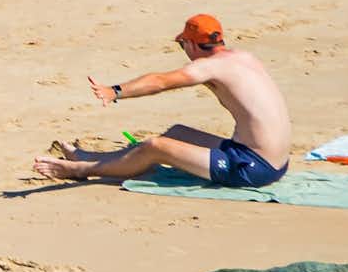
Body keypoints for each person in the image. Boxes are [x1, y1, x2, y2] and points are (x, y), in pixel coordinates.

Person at [33, 15, 294, 188]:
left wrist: (115, 91)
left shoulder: (209, 67)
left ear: (192, 44)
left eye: (183, 45)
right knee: (177, 133)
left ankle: (80, 169)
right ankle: (90, 156)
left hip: (253, 168)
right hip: (272, 159)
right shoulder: (244, 58)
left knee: (154, 146)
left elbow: (159, 81)